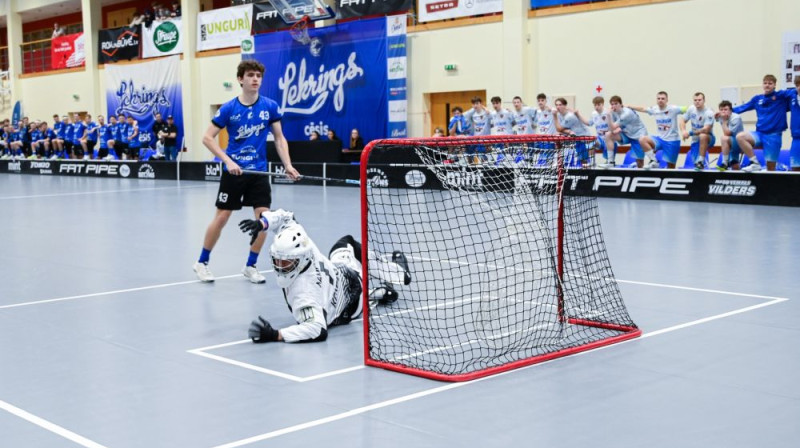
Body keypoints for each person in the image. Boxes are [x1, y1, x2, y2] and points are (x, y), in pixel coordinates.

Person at [193, 60, 300, 284]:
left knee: (264, 219)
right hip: (235, 173)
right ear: (240, 79)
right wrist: (227, 161)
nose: (255, 79)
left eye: (258, 76)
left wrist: (288, 165)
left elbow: (280, 139)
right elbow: (206, 137)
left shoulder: (270, 106)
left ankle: (250, 266)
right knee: (222, 217)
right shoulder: (229, 108)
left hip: (259, 173)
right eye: (250, 75)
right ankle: (202, 262)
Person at [239, 209, 411, 343]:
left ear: (300, 259)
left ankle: (396, 278)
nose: (280, 266)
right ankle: (386, 287)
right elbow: (286, 217)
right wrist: (262, 223)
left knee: (347, 245)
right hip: (345, 288)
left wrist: (276, 335)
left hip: (347, 291)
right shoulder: (304, 246)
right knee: (346, 243)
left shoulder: (304, 292)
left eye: (286, 262)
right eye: (278, 260)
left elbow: (317, 330)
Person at [734, 74, 795, 172]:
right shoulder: (757, 99)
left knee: (770, 168)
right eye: (765, 83)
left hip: (773, 136)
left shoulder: (781, 96)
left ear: (775, 85)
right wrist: (727, 111)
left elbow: (794, 91)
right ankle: (754, 163)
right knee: (740, 136)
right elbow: (743, 107)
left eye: (770, 83)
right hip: (759, 134)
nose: (767, 85)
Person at [629, 91, 684, 169]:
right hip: (660, 139)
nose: (660, 100)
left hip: (672, 141)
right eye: (658, 98)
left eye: (663, 98)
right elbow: (643, 109)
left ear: (667, 100)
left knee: (671, 167)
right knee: (642, 139)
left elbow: (687, 109)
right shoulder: (655, 109)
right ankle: (653, 161)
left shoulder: (673, 109)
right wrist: (629, 106)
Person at [604, 96, 658, 169]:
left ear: (621, 104)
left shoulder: (627, 113)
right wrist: (615, 128)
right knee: (608, 135)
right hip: (626, 134)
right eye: (612, 104)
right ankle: (610, 162)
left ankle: (653, 161)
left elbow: (613, 127)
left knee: (639, 162)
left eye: (616, 104)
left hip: (638, 135)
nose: (613, 106)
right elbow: (611, 128)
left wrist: (608, 115)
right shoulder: (613, 113)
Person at [679, 92, 715, 171]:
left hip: (709, 138)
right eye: (695, 100)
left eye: (699, 100)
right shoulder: (691, 109)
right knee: (695, 164)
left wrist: (690, 133)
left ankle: (701, 161)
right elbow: (682, 120)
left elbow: (706, 129)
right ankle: (699, 164)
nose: (697, 101)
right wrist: (684, 131)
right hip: (695, 140)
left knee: (703, 135)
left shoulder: (709, 112)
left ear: (704, 100)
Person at [553, 97, 593, 167]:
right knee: (557, 136)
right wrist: (568, 131)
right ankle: (559, 162)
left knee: (584, 163)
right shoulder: (560, 115)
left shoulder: (569, 116)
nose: (558, 107)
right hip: (575, 138)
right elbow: (560, 130)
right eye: (556, 105)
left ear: (565, 106)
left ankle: (585, 163)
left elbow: (559, 128)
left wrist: (554, 116)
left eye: (560, 105)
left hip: (583, 138)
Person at [716, 101, 745, 171]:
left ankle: (725, 163)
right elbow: (714, 117)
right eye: (721, 110)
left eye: (725, 109)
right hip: (731, 143)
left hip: (740, 143)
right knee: (734, 165)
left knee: (724, 138)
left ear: (731, 111)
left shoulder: (736, 118)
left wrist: (724, 121)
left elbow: (727, 134)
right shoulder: (721, 117)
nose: (723, 112)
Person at [790, 76, 800, 172]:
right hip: (796, 139)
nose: (799, 87)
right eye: (797, 85)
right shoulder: (792, 97)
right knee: (795, 168)